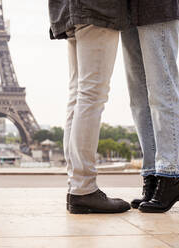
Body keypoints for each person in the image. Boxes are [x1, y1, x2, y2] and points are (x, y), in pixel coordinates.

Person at [48, 1, 131, 214]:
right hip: (98, 7)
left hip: (68, 10)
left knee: (78, 94)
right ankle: (83, 188)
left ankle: (77, 185)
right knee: (92, 95)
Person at [121, 0, 179, 213]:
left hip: (157, 7)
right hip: (126, 12)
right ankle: (152, 174)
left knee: (163, 90)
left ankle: (170, 175)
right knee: (139, 99)